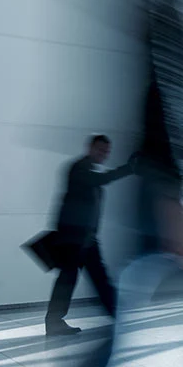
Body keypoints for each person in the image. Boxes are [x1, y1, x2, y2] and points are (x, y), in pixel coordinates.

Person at [45, 135, 134, 336]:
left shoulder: (87, 170)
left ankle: (115, 315)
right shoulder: (78, 168)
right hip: (73, 238)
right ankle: (55, 321)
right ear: (91, 148)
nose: (104, 155)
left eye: (106, 152)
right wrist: (128, 168)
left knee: (91, 278)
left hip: (85, 237)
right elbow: (101, 180)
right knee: (74, 279)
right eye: (101, 150)